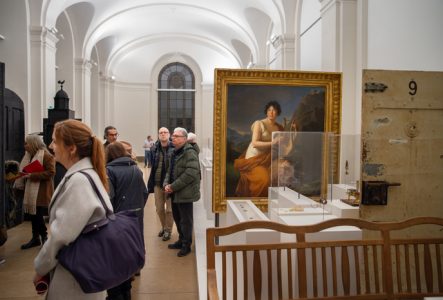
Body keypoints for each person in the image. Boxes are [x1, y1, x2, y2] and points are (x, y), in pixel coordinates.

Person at [34, 119, 112, 299]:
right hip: (82, 272)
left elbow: (60, 236)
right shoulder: (85, 175)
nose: (51, 145)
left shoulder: (79, 181)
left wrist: (40, 267)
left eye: (54, 141)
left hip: (75, 281)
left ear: (72, 148)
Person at [105, 141, 148, 300]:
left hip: (118, 216)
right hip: (136, 214)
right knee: (134, 242)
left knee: (117, 253)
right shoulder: (135, 168)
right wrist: (138, 208)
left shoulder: (109, 170)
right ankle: (134, 269)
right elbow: (144, 192)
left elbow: (109, 198)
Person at [234, 100, 284, 197]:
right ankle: (257, 203)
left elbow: (284, 141)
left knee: (280, 175)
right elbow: (255, 143)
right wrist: (273, 143)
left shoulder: (279, 127)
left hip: (267, 158)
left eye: (274, 110)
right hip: (254, 158)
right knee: (264, 179)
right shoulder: (259, 123)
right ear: (266, 112)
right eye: (269, 110)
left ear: (278, 112)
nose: (271, 112)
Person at [14, 134, 55, 250]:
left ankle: (44, 236)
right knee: (33, 215)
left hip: (41, 190)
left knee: (37, 215)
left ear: (33, 144)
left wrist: (31, 175)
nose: (25, 146)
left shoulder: (46, 156)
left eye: (26, 143)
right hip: (31, 189)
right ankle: (35, 238)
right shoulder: (28, 156)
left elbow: (51, 172)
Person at [164, 127, 200, 257]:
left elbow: (190, 173)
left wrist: (173, 186)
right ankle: (181, 240)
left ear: (184, 139)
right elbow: (170, 170)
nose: (173, 138)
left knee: (186, 220)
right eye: (173, 135)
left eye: (176, 136)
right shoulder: (175, 151)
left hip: (185, 192)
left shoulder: (189, 152)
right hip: (175, 192)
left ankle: (186, 245)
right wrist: (167, 184)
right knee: (177, 218)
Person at [147, 127, 174, 241]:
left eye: (165, 132)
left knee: (169, 210)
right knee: (159, 209)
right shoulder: (154, 148)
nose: (163, 134)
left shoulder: (174, 148)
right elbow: (153, 166)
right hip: (157, 182)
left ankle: (168, 230)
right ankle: (164, 227)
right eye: (161, 133)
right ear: (158, 135)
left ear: (169, 134)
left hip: (170, 183)